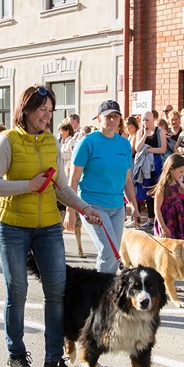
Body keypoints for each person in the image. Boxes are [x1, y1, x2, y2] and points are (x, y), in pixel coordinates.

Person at [0, 85, 102, 367]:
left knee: (57, 292)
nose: (47, 117)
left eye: (50, 111)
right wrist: (27, 185)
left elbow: (61, 185)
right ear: (26, 110)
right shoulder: (7, 140)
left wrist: (84, 208)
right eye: (42, 110)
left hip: (48, 225)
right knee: (17, 290)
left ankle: (54, 360)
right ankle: (17, 353)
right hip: (12, 225)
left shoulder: (51, 141)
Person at [65, 100, 140, 273]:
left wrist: (134, 207)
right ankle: (100, 293)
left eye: (115, 117)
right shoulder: (87, 142)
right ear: (99, 118)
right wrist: (71, 211)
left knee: (114, 253)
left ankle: (106, 291)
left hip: (117, 208)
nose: (112, 120)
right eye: (108, 117)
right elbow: (73, 179)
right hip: (93, 206)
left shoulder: (124, 144)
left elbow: (127, 180)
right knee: (108, 251)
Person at [131, 110, 167, 229]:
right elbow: (137, 148)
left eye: (147, 120)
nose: (145, 122)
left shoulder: (160, 131)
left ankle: (159, 218)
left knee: (158, 192)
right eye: (143, 120)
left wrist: (148, 149)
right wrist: (145, 134)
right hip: (144, 166)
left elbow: (163, 149)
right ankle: (150, 218)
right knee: (147, 192)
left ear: (153, 120)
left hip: (156, 165)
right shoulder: (140, 132)